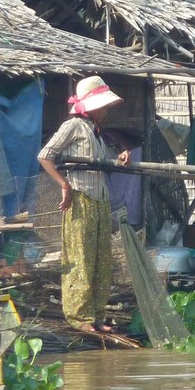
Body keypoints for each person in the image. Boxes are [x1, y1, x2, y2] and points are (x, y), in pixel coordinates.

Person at [38, 76, 131, 334]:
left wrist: (120, 158)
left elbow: (103, 163)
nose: (105, 111)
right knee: (81, 258)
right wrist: (64, 185)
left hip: (101, 201)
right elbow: (46, 156)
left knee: (101, 259)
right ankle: (79, 316)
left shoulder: (97, 133)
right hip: (80, 199)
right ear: (89, 106)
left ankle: (98, 315)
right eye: (102, 107)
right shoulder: (74, 126)